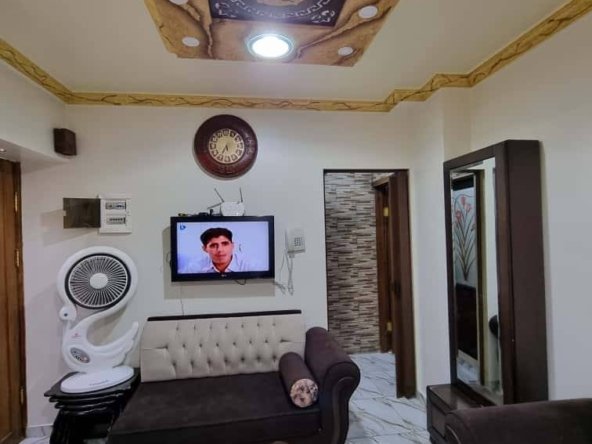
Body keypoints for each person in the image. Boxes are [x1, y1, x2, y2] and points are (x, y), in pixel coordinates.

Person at [180, 227, 256, 273]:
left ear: (232, 245)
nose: (220, 250)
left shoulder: (250, 265)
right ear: (205, 249)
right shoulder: (194, 267)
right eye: (213, 245)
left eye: (225, 244)